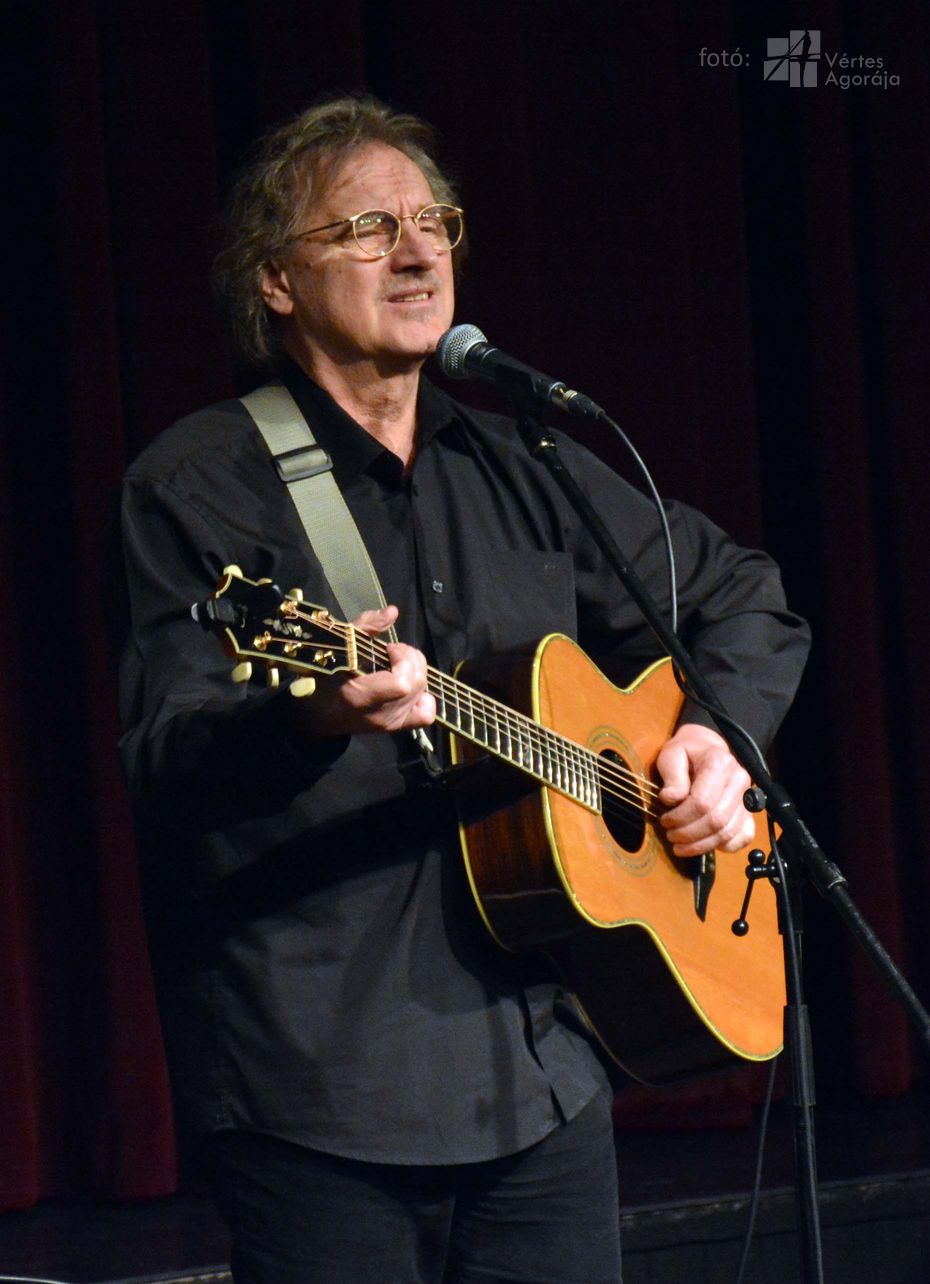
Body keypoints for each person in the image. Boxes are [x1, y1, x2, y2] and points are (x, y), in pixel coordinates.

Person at [112, 95, 810, 1283]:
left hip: (542, 1065)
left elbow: (743, 592)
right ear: (275, 280)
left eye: (435, 222)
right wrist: (311, 717)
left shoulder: (520, 463)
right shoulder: (197, 484)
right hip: (319, 1087)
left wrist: (713, 738)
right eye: (368, 228)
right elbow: (166, 759)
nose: (419, 252)